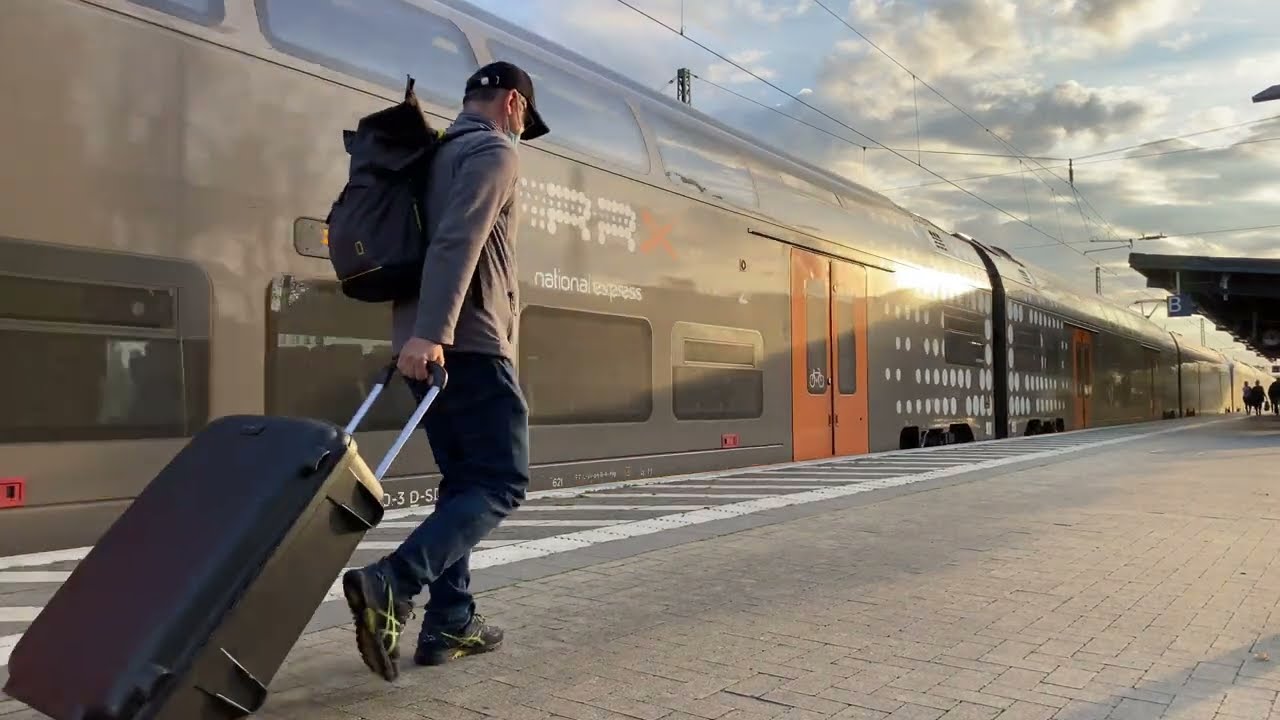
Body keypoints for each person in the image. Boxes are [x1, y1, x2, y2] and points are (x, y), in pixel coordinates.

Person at [341, 61, 550, 682]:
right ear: (513, 103)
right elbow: (457, 240)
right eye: (523, 118)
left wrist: (421, 333)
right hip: (467, 342)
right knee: (502, 480)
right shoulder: (493, 152)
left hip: (424, 341)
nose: (520, 129)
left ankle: (451, 622)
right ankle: (393, 583)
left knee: (464, 481)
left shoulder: (430, 156)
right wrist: (437, 332)